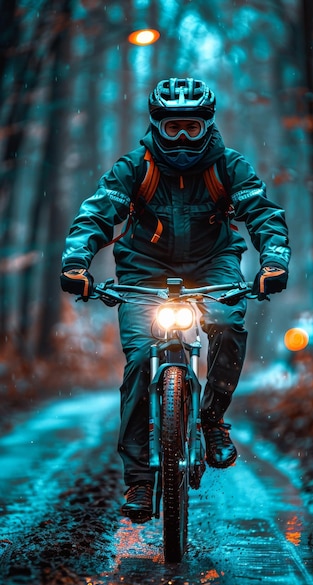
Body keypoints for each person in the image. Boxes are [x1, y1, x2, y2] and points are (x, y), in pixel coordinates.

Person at [60, 77, 290, 523]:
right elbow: (95, 214)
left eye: (190, 128)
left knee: (227, 324)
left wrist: (274, 261)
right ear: (156, 126)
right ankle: (140, 482)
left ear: (207, 125)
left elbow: (263, 214)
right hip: (143, 268)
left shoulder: (228, 166)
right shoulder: (134, 168)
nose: (182, 139)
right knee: (137, 362)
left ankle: (212, 419)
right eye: (172, 129)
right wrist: (76, 264)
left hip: (213, 261)